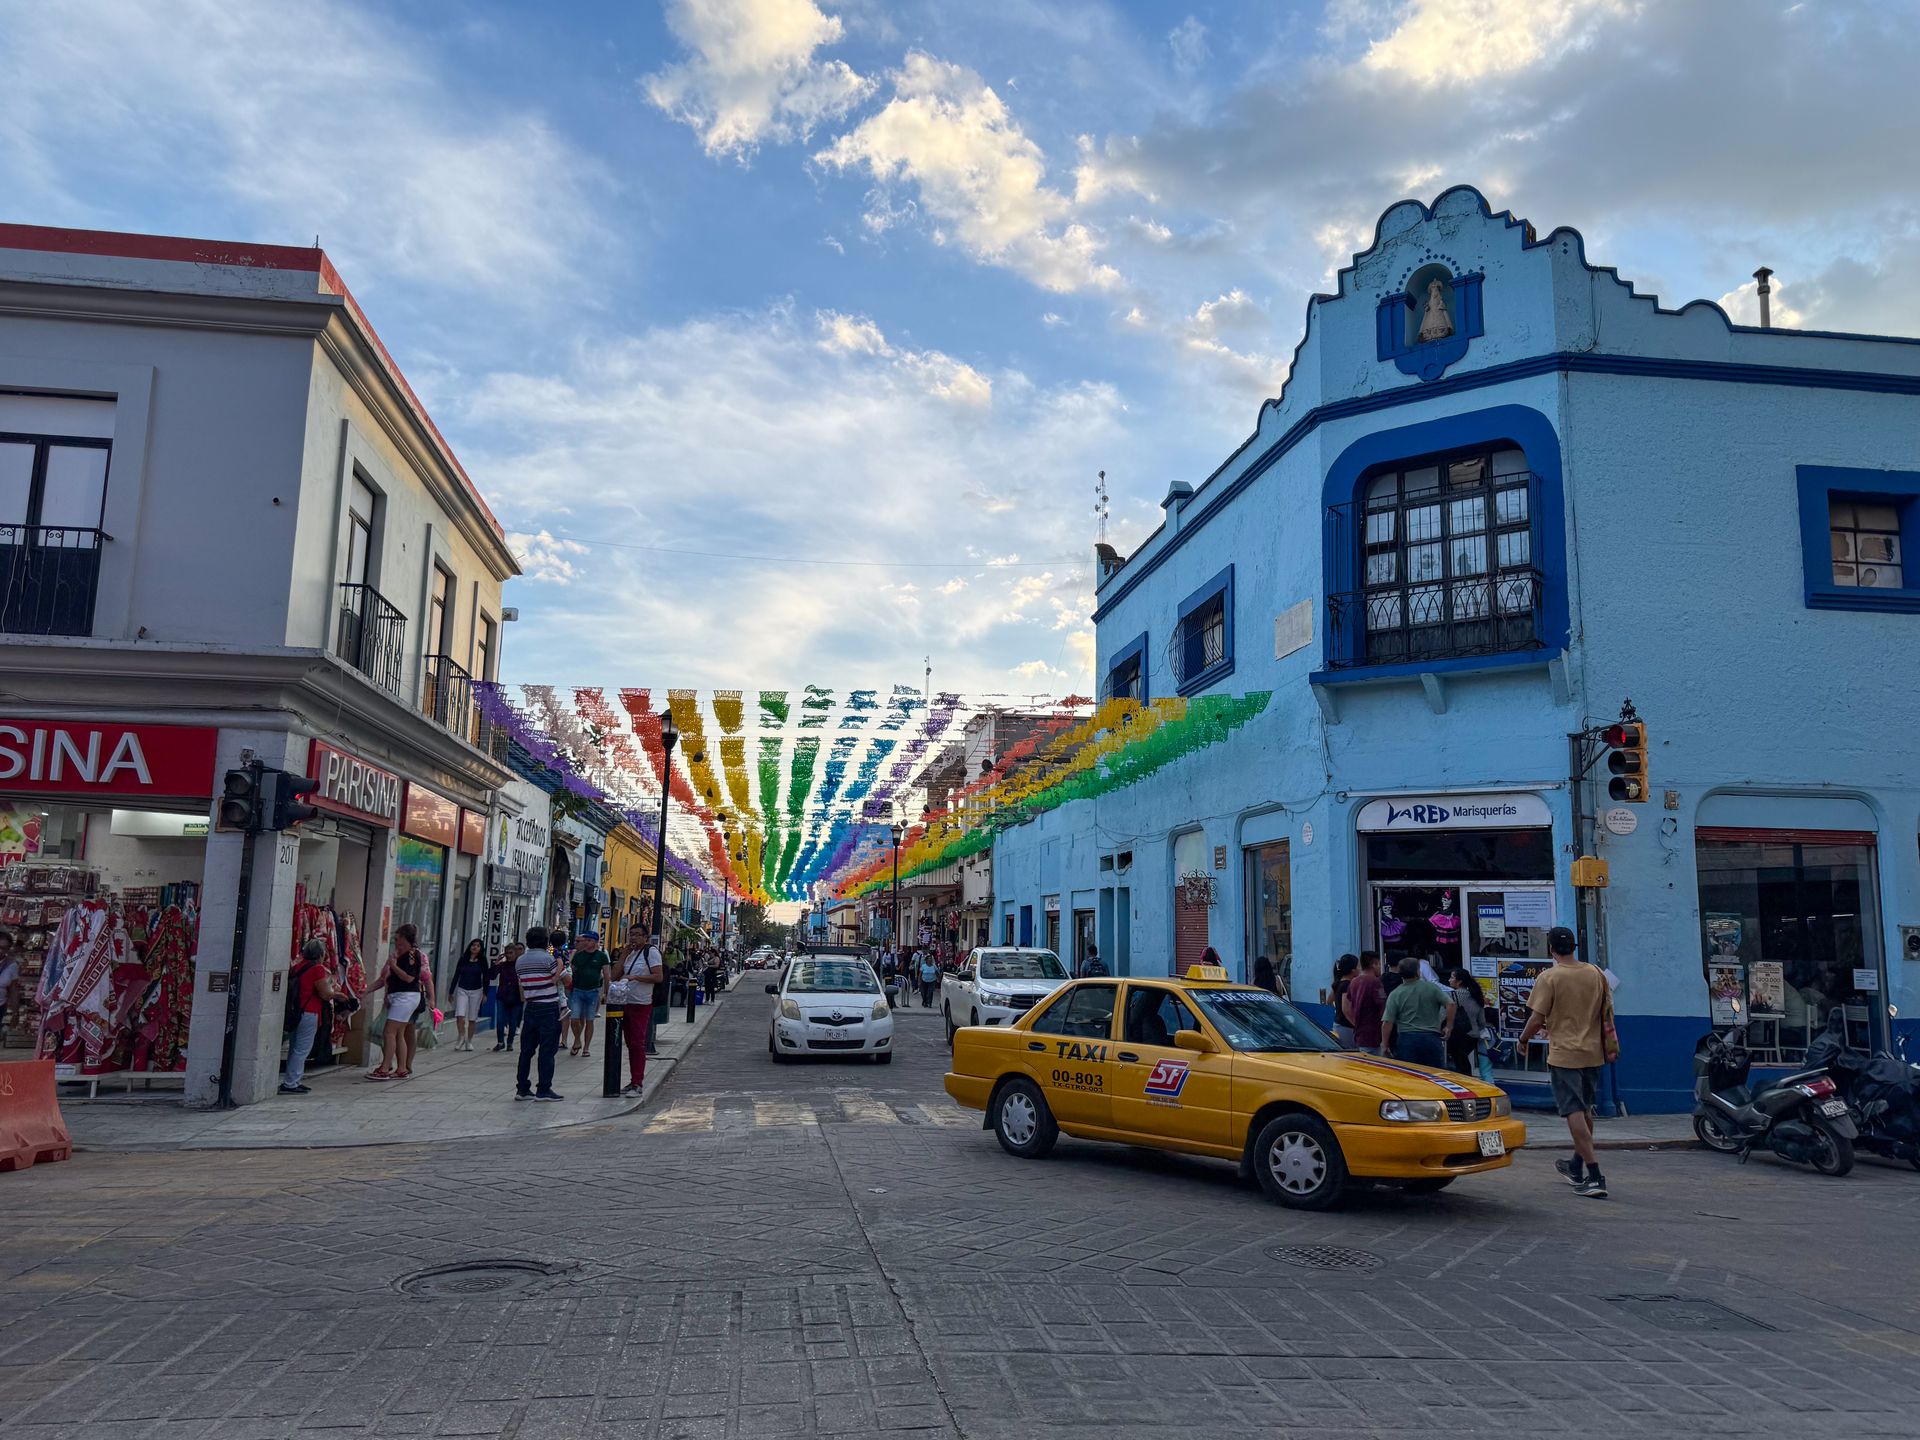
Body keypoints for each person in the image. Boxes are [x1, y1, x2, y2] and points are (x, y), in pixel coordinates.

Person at [1516, 926, 1614, 1198]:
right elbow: (1605, 1011)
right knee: (1586, 1109)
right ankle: (1576, 1164)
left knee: (1572, 1110)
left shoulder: (1550, 977)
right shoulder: (1595, 973)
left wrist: (1523, 1039)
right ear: (1574, 946)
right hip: (1593, 1052)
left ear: (1551, 950)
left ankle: (1595, 1175)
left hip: (1565, 1053)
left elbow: (1536, 1019)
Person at [367, 924, 431, 1081]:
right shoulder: (402, 955)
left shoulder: (411, 956)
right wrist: (366, 990)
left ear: (407, 940)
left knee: (389, 1032)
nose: (397, 944)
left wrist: (394, 966)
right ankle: (401, 1068)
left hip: (405, 997)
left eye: (399, 941)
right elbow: (384, 979)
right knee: (398, 1034)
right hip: (400, 997)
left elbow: (409, 978)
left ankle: (385, 1068)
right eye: (396, 941)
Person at [280, 940, 345, 1094]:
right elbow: (325, 993)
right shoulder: (317, 969)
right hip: (309, 1012)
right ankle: (291, 1083)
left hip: (296, 1011)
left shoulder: (297, 967)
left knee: (295, 1047)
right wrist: (338, 995)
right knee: (302, 1048)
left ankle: (293, 1079)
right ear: (321, 954)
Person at [515, 926, 566, 1101]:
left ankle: (522, 1088)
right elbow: (563, 978)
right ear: (546, 941)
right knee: (547, 1050)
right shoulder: (548, 959)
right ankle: (544, 1089)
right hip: (548, 1007)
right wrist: (559, 968)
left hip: (530, 1007)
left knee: (526, 1051)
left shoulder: (520, 960)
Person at [1380, 957, 1454, 1068]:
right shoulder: (1431, 988)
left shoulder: (1396, 993)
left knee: (1410, 1077)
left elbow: (1387, 1022)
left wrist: (1385, 1044)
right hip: (1431, 1038)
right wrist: (1449, 1026)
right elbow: (1451, 1004)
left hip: (1407, 1039)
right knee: (1436, 1075)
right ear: (1418, 972)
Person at [614, 935, 664, 1096]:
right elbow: (614, 975)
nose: (633, 938)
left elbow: (658, 976)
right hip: (624, 1002)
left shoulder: (651, 952)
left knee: (637, 1043)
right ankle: (632, 1081)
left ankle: (637, 1083)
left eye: (637, 935)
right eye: (631, 934)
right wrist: (622, 956)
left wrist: (635, 977)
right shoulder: (630, 954)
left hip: (641, 1003)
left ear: (645, 937)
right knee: (630, 1043)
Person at [565, 931, 611, 1059]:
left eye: (589, 940)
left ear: (596, 942)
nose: (586, 942)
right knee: (574, 1019)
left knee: (589, 1020)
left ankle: (586, 1047)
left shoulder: (602, 956)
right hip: (578, 991)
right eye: (585, 940)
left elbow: (607, 976)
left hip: (592, 992)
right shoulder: (579, 956)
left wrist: (607, 993)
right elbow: (571, 971)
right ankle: (577, 1040)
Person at [1444, 967, 1492, 1080]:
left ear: (1459, 981)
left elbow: (1442, 1015)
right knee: (1463, 1062)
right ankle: (1468, 1081)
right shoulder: (1477, 996)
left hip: (1457, 1034)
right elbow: (1482, 1022)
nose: (1449, 980)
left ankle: (1465, 1085)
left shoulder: (1452, 996)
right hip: (1473, 1036)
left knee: (1460, 1063)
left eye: (1452, 977)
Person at [449, 938, 488, 1052]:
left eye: (477, 946)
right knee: (460, 1014)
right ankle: (461, 1036)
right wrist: (451, 991)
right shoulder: (463, 959)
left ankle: (469, 1041)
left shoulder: (482, 961)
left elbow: (486, 977)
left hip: (476, 991)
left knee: (472, 1017)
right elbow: (456, 975)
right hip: (462, 989)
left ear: (480, 949)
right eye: (473, 945)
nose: (475, 947)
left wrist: (485, 993)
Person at [1346, 952, 1387, 1054]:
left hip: (1360, 1035)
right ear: (1374, 964)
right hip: (1373, 1036)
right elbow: (1383, 1008)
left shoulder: (1354, 982)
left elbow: (1349, 1005)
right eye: (1379, 964)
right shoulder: (1375, 982)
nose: (1380, 967)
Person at [490, 942, 525, 1051]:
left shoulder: (519, 965)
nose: (509, 955)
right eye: (507, 953)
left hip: (516, 996)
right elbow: (491, 976)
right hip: (502, 995)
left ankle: (510, 1042)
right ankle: (500, 1041)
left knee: (513, 1021)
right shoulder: (502, 965)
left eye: (511, 953)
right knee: (500, 1020)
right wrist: (496, 963)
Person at [1330, 954, 1359, 1047]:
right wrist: (1356, 1025)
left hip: (1339, 1024)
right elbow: (1346, 1009)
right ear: (1353, 970)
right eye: (1358, 967)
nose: (1360, 970)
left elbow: (1329, 1001)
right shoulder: (1347, 985)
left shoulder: (1338, 983)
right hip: (1347, 1027)